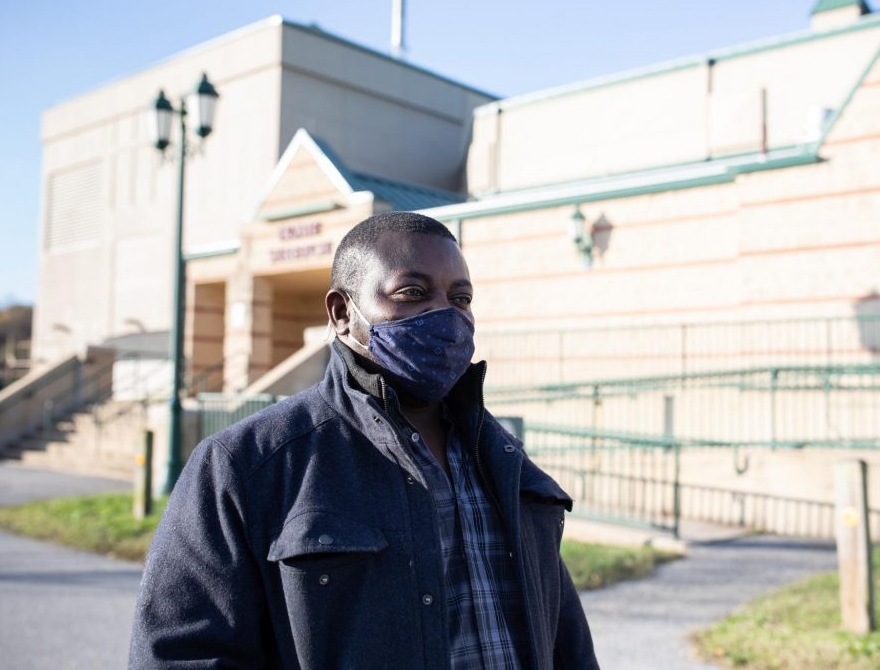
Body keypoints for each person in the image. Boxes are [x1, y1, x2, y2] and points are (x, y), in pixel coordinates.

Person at [129, 211, 598, 669]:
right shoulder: (246, 466)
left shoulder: (503, 457)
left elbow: (566, 642)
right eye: (412, 292)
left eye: (461, 298)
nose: (445, 314)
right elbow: (181, 654)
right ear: (341, 312)